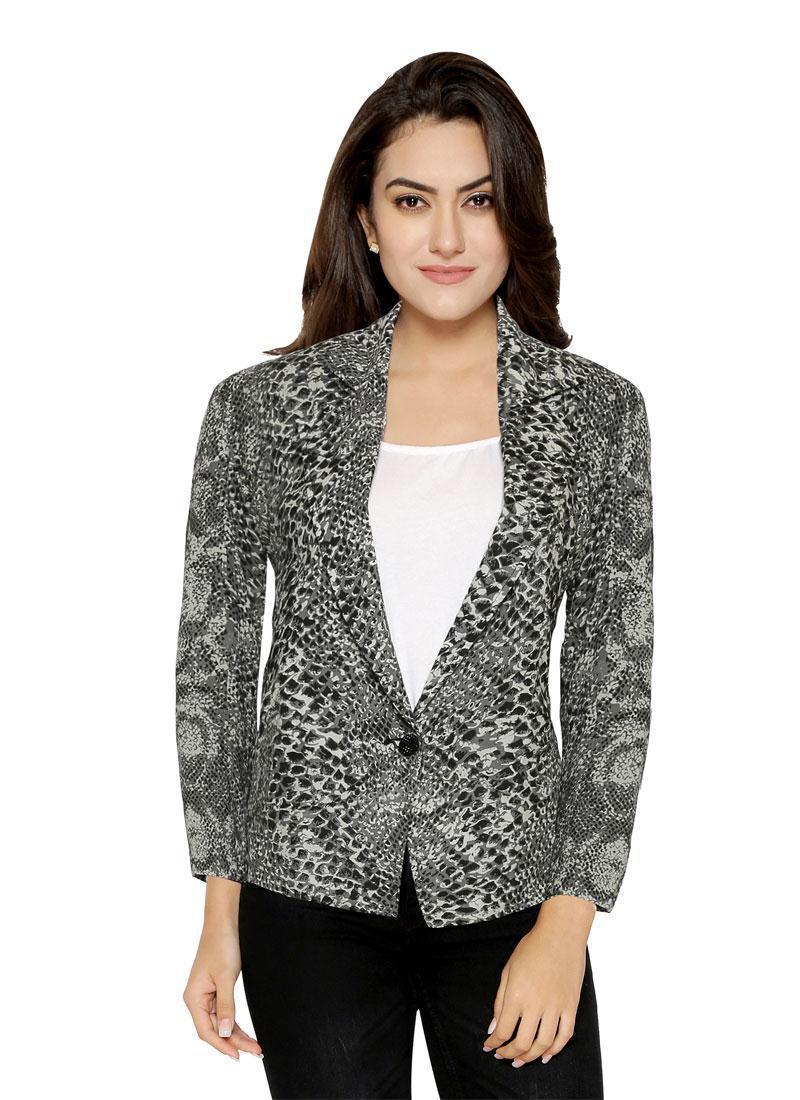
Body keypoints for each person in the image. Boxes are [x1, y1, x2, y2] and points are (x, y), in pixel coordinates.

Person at [175, 50, 654, 1100]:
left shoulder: (594, 415)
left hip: (510, 892)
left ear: (516, 213)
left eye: (477, 200)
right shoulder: (263, 411)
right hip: (307, 892)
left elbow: (610, 679)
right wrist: (219, 911)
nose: (445, 238)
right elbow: (214, 666)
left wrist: (567, 922)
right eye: (411, 200)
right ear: (365, 219)